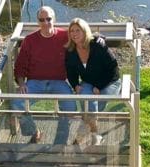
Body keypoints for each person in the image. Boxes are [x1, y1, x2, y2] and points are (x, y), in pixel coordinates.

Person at [12, 6, 76, 143]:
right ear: (38, 22)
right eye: (42, 20)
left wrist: (97, 38)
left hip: (59, 82)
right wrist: (22, 83)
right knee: (17, 103)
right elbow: (20, 65)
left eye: (49, 19)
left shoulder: (65, 36)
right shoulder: (29, 40)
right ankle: (34, 132)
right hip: (35, 82)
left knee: (71, 106)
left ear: (54, 19)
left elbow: (83, 38)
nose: (46, 23)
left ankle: (61, 138)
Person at [65, 18, 121, 145]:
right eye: (72, 31)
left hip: (109, 81)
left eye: (78, 30)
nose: (74, 33)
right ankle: (96, 135)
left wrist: (99, 86)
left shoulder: (98, 45)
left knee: (94, 104)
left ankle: (81, 135)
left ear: (85, 31)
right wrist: (75, 85)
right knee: (87, 102)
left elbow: (113, 69)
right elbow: (70, 72)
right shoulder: (70, 51)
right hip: (88, 82)